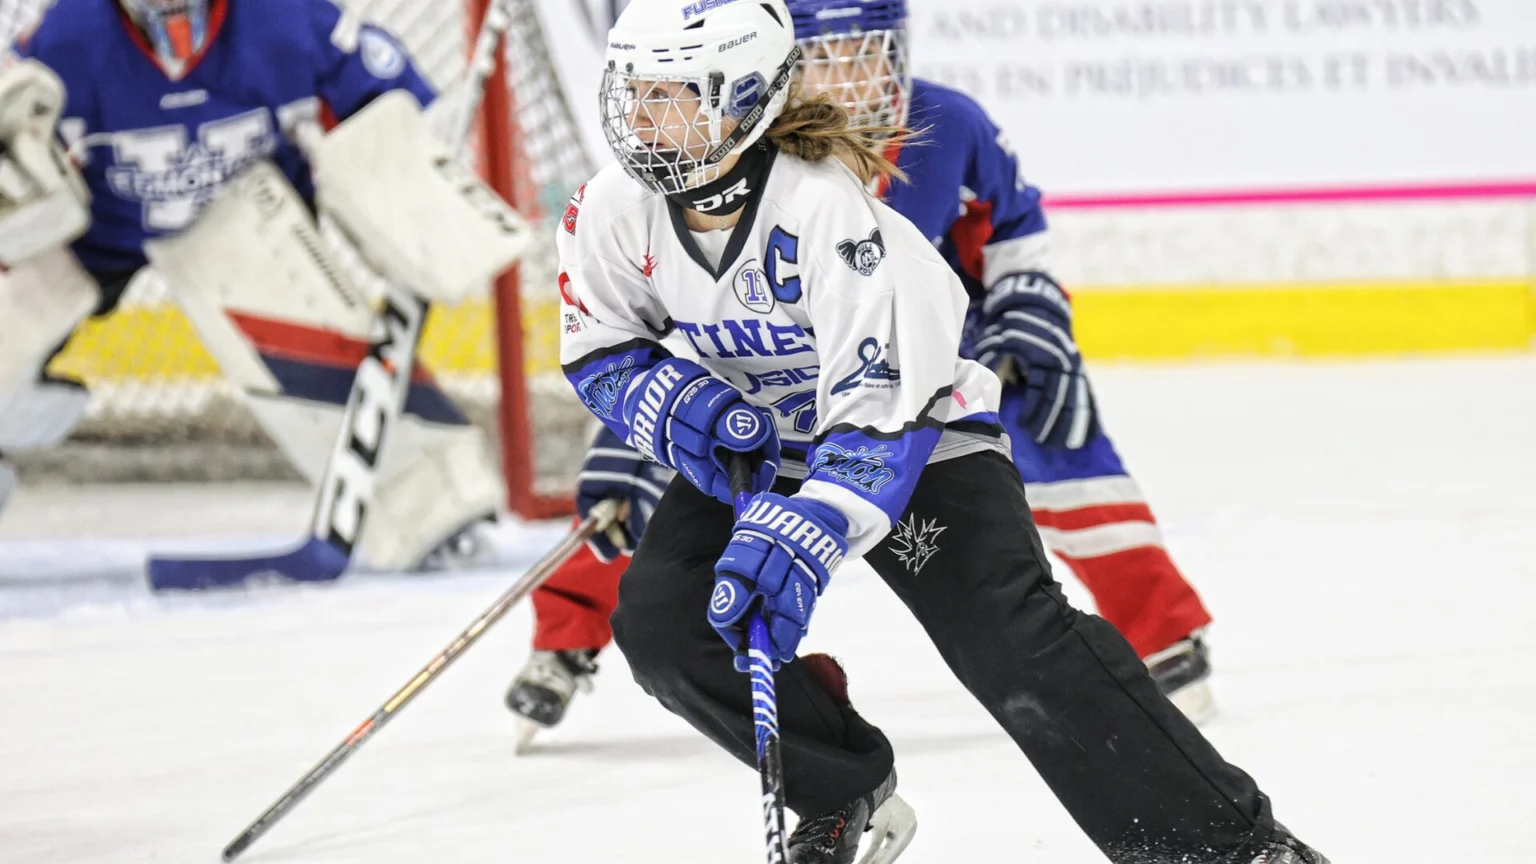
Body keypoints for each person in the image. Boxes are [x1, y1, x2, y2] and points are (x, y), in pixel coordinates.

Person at [556, 2, 1329, 863]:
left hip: (914, 438)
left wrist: (811, 528)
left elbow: (883, 409)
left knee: (1015, 643)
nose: (640, 115)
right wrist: (674, 406)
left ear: (741, 99)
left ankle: (1231, 848)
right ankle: (840, 787)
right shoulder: (610, 208)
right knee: (665, 628)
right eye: (633, 90)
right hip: (764, 445)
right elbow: (600, 345)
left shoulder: (826, 213)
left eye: (670, 93)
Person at [505, 0, 1215, 735]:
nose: (852, 75)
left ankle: (1161, 627)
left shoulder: (947, 124)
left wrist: (1029, 309)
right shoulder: (725, 153)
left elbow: (1011, 231)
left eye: (868, 50)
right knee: (672, 467)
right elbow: (670, 323)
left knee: (1048, 417)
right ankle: (565, 635)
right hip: (764, 376)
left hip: (918, 364)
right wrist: (636, 432)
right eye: (828, 54)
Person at [0, 0, 500, 570]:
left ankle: (431, 502)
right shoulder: (66, 36)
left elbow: (389, 104)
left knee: (305, 333)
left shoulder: (286, 19)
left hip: (244, 221)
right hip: (94, 233)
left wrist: (411, 167)